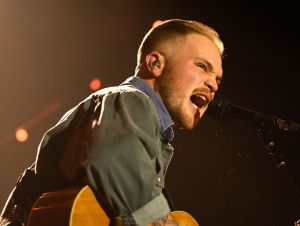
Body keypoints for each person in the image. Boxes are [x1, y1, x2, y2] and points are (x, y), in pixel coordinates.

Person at [0, 19, 224, 226]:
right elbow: (115, 163)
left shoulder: (151, 129)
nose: (213, 85)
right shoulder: (130, 99)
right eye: (202, 66)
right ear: (155, 62)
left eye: (218, 78)